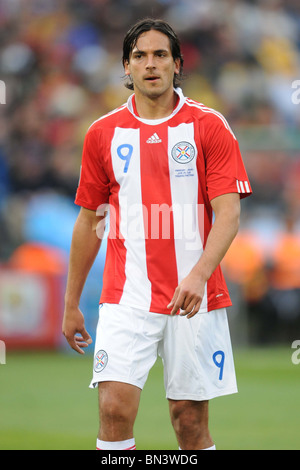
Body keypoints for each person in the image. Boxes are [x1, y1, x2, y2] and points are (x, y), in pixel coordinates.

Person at [62, 18, 252, 451]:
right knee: (113, 408)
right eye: (139, 56)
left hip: (193, 297)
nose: (150, 64)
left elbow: (228, 215)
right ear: (126, 68)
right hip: (126, 296)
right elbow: (89, 222)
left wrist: (199, 275)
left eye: (160, 55)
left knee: (188, 422)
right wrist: (71, 303)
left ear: (177, 64)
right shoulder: (102, 133)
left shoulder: (209, 126)